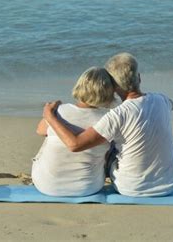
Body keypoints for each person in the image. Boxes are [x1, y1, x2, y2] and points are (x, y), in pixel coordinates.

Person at [43, 53, 173, 197]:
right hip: (171, 183)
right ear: (139, 77)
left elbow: (75, 145)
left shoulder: (116, 115)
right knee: (166, 138)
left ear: (114, 87)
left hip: (131, 187)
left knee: (108, 147)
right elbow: (171, 105)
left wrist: (50, 116)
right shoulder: (162, 99)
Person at [32, 67, 115, 197]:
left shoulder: (60, 111)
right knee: (109, 145)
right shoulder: (109, 118)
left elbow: (40, 130)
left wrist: (51, 112)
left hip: (46, 185)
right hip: (88, 187)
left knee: (50, 134)